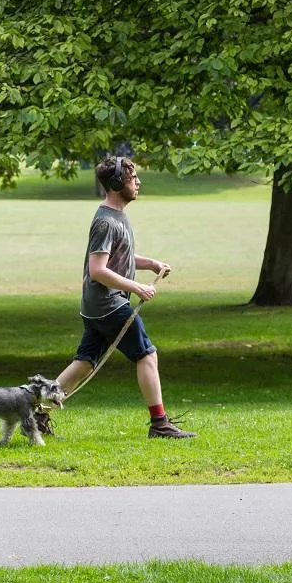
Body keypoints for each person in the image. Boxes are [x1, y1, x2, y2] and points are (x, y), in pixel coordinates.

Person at [53, 157, 195, 439]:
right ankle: (160, 423)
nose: (138, 182)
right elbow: (98, 270)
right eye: (133, 179)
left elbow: (120, 258)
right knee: (147, 354)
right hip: (108, 305)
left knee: (84, 362)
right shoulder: (105, 222)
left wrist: (150, 263)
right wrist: (138, 287)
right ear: (118, 184)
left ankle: (37, 412)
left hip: (97, 306)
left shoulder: (117, 216)